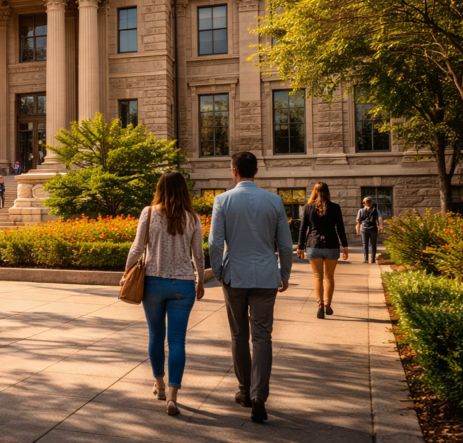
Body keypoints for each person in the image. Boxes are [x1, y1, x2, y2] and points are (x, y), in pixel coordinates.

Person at [208, 152, 293, 424]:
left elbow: (214, 243)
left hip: (234, 276)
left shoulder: (222, 200)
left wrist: (219, 272)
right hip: (267, 276)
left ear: (233, 172)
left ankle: (244, 391)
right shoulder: (275, 200)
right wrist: (285, 273)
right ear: (256, 170)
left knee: (238, 336)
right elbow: (285, 245)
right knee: (262, 337)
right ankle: (259, 396)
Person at [125, 171, 205, 416]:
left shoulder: (148, 213)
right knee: (178, 340)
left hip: (153, 283)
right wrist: (200, 280)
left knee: (155, 336)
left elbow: (138, 247)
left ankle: (159, 384)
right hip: (182, 285)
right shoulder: (193, 218)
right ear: (184, 189)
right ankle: (173, 395)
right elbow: (198, 255)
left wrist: (126, 272)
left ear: (160, 188)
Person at [298, 182, 349, 318]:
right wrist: (345, 246)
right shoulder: (335, 207)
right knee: (329, 277)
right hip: (331, 245)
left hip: (313, 245)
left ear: (314, 192)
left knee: (317, 276)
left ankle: (320, 304)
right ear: (327, 192)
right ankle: (328, 305)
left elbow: (303, 229)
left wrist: (300, 246)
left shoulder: (308, 208)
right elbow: (340, 229)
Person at [356, 196, 384, 264]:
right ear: (371, 202)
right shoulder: (376, 210)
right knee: (373, 244)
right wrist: (381, 225)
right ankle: (373, 259)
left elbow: (358, 220)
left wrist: (358, 229)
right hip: (373, 228)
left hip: (364, 229)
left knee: (365, 244)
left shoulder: (361, 210)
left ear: (364, 203)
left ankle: (366, 259)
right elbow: (379, 218)